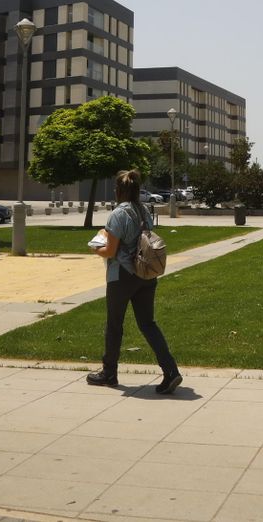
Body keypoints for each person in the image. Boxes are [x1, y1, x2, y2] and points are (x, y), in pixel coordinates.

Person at [87, 168, 181, 394]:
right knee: (148, 324)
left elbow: (110, 251)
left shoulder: (118, 214)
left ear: (118, 191)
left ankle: (109, 373)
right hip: (146, 275)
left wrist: (96, 246)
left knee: (114, 325)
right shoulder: (144, 211)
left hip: (121, 277)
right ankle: (171, 371)